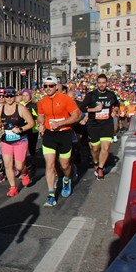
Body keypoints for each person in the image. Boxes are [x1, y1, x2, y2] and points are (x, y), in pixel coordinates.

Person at [37, 76, 82, 207]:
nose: (48, 88)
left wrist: (62, 123)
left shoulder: (65, 99)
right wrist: (41, 124)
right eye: (46, 86)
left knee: (64, 165)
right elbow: (40, 116)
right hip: (49, 135)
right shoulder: (42, 102)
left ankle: (66, 179)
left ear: (56, 87)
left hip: (64, 134)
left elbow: (77, 115)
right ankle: (51, 194)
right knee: (49, 164)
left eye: (51, 86)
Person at [0, 87, 35, 197]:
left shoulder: (20, 108)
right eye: (6, 96)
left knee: (19, 166)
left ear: (15, 96)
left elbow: (31, 123)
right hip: (6, 140)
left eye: (11, 96)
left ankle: (25, 172)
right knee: (7, 164)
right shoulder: (0, 109)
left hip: (20, 140)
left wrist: (20, 129)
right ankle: (13, 187)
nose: (8, 98)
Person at [79, 74, 119, 180]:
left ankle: (101, 168)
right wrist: (94, 110)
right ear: (97, 83)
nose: (102, 85)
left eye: (103, 83)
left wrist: (114, 111)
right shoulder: (91, 95)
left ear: (107, 83)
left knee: (105, 147)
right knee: (95, 148)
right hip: (94, 125)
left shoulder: (111, 94)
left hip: (107, 124)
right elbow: (82, 108)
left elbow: (117, 104)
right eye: (100, 83)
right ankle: (96, 162)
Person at [20, 89, 39, 173]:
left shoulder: (33, 105)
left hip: (32, 130)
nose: (24, 97)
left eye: (26, 95)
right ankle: (22, 165)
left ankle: (34, 163)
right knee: (22, 147)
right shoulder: (20, 104)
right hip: (22, 129)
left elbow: (38, 116)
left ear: (30, 96)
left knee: (31, 148)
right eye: (23, 96)